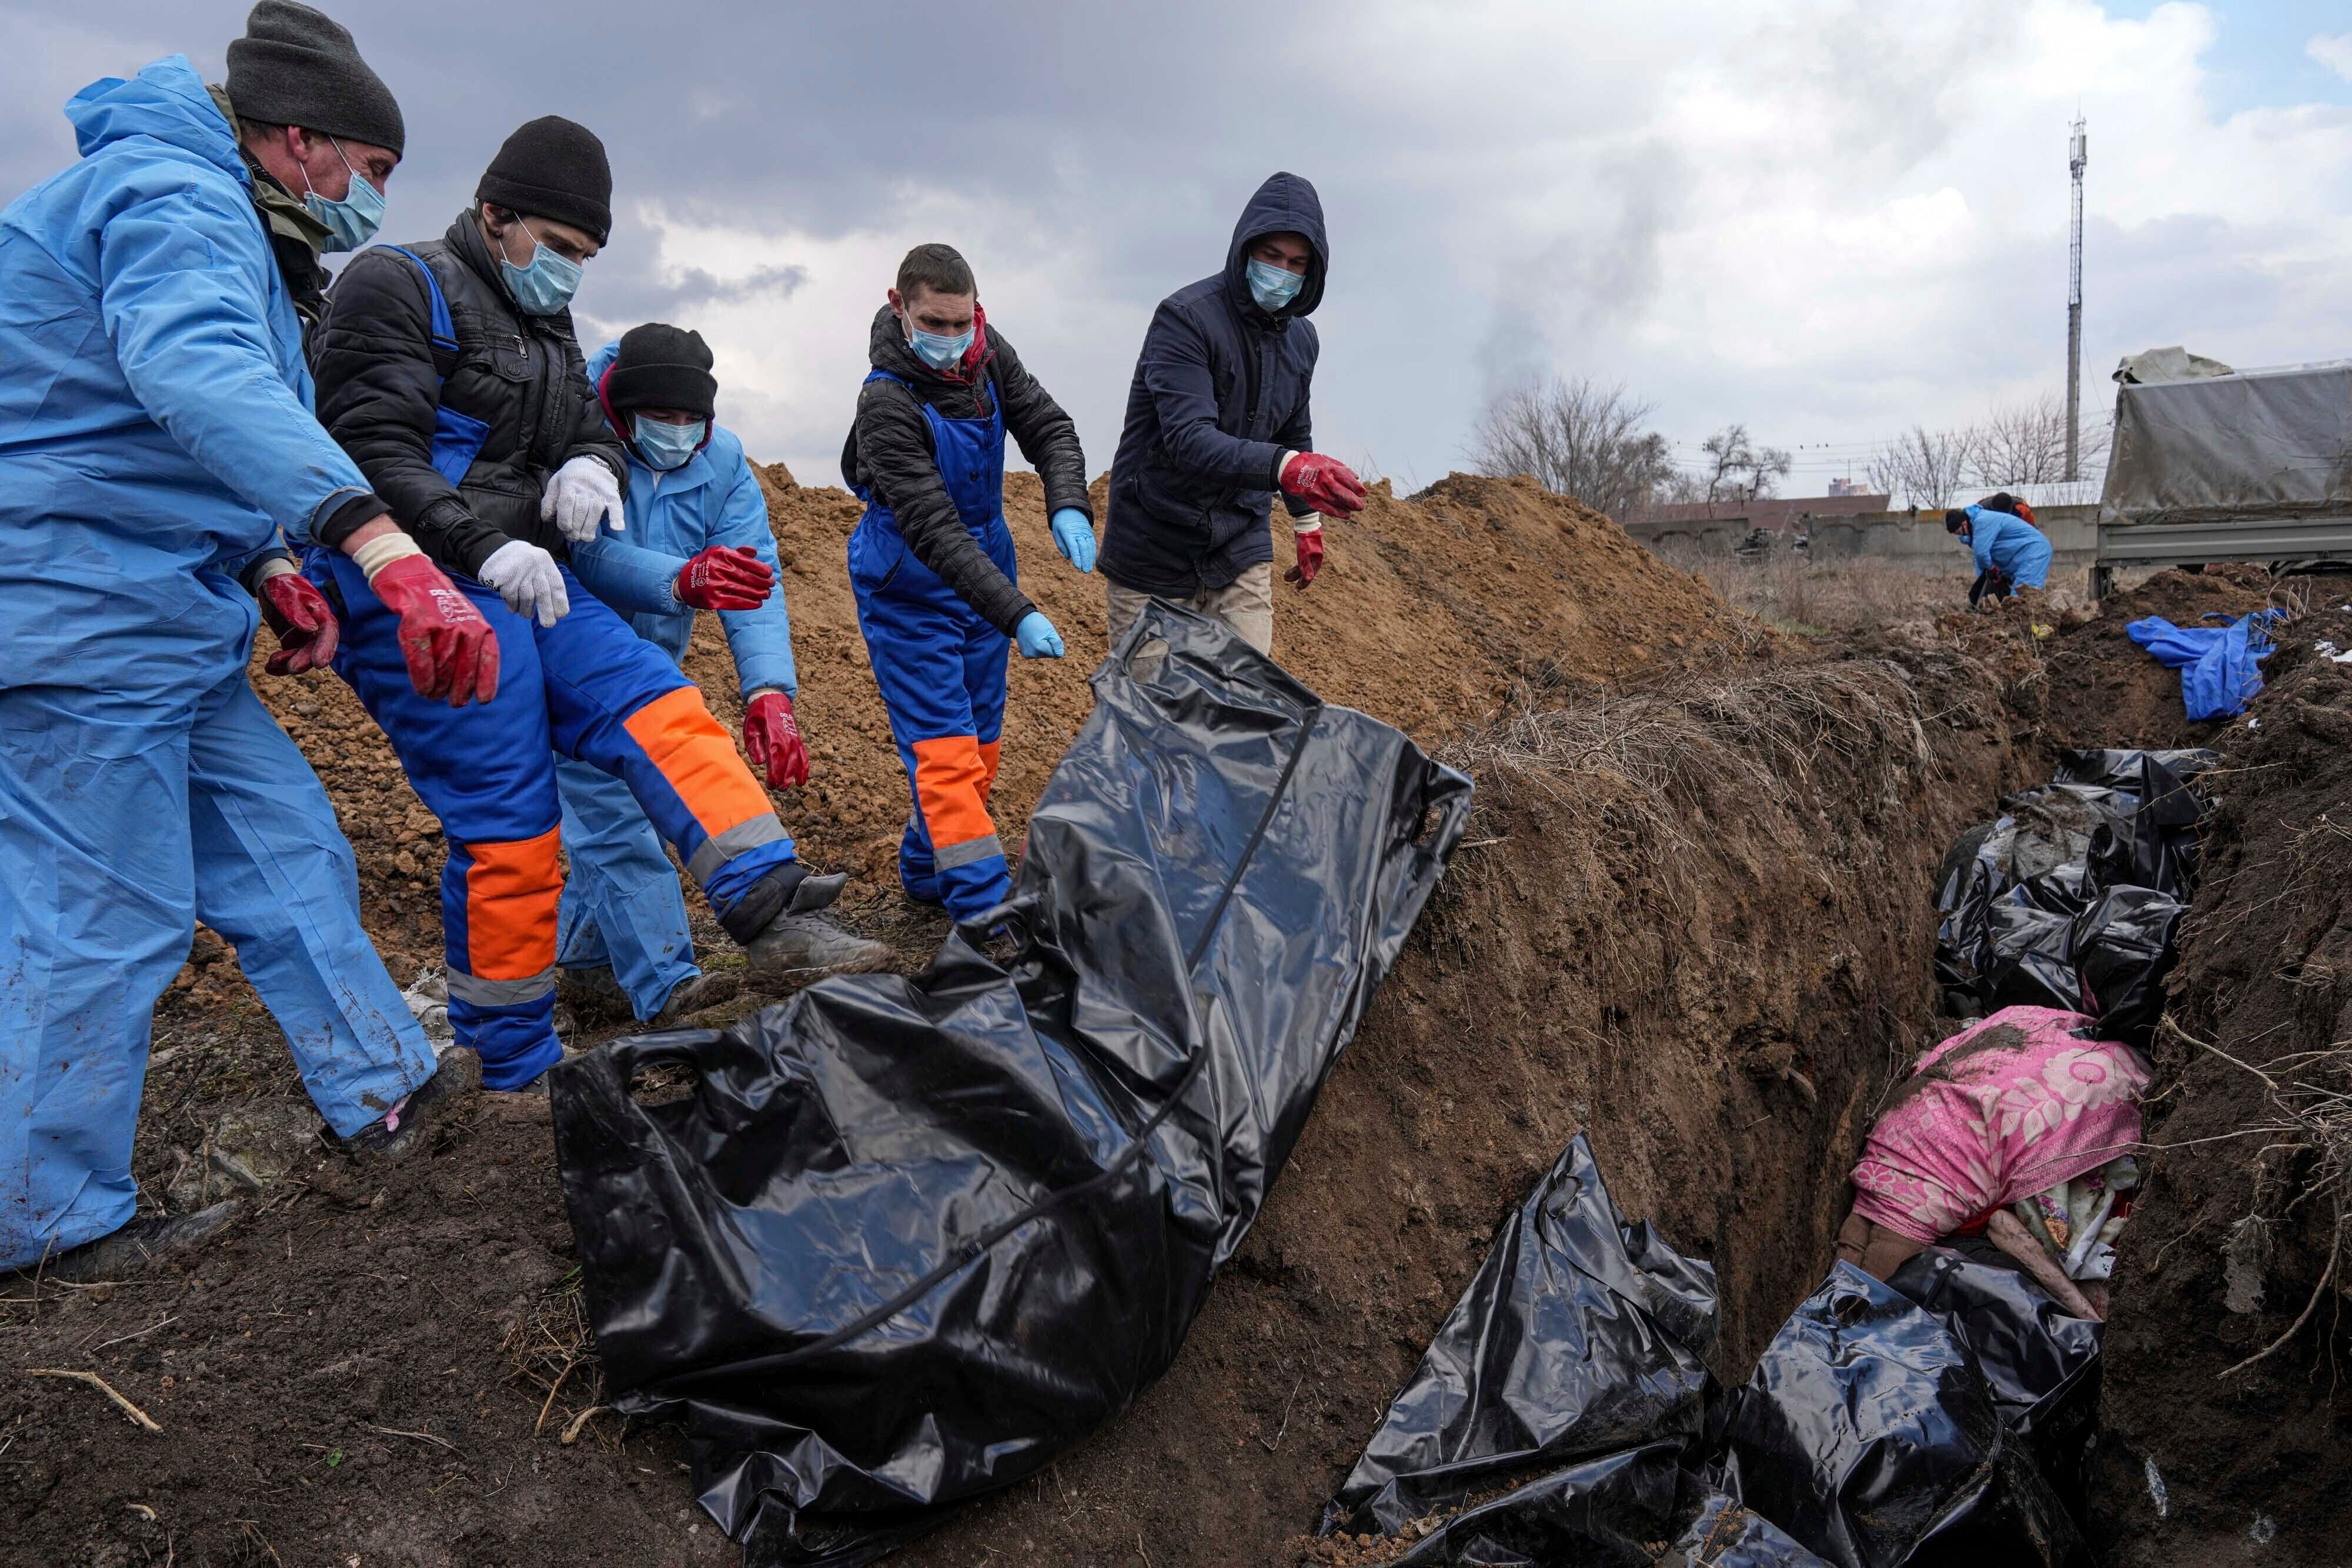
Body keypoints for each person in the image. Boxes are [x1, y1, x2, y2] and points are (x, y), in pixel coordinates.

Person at [0, 4, 493, 1275]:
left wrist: (271, 561)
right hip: (66, 606)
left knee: (287, 847)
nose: (372, 199)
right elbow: (194, 375)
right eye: (371, 172)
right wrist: (375, 543)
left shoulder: (233, 225)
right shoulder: (175, 195)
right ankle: (47, 1224)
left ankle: (387, 1093)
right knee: (98, 911)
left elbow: (151, 434)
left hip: (161, 609)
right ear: (300, 140)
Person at [309, 118, 886, 1094]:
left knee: (660, 703)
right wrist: (481, 545)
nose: (572, 272)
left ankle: (772, 909)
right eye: (564, 248)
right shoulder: (395, 284)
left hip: (528, 574)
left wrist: (588, 459)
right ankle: (515, 1067)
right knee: (513, 825)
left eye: (587, 257)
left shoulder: (544, 323)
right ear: (495, 217)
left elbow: (587, 421)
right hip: (416, 581)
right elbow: (370, 449)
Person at [551, 324, 812, 1025]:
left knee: (618, 810)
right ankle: (669, 987)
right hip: (569, 660)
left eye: (691, 420)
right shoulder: (579, 444)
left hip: (650, 667)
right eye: (659, 418)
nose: (676, 432)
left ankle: (582, 964)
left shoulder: (721, 461)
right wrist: (681, 579)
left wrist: (768, 690)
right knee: (612, 821)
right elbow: (584, 555)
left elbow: (756, 577)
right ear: (622, 408)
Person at [842, 243, 1093, 925]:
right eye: (934, 323)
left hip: (986, 564)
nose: (951, 340)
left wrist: (1066, 497)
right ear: (900, 309)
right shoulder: (885, 402)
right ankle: (985, 916)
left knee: (980, 745)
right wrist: (1017, 614)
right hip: (910, 584)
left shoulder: (988, 354)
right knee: (945, 756)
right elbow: (931, 526)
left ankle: (926, 869)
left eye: (962, 323)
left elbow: (1048, 426)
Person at [1100, 172, 1368, 654]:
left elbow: (1293, 429)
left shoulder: (1302, 340)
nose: (1282, 271)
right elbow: (1188, 439)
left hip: (1239, 541)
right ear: (1245, 249)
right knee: (1152, 719)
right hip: (1155, 542)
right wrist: (1288, 468)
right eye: (1271, 256)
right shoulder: (1185, 320)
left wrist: (1306, 522)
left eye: (1297, 263)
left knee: (1246, 712)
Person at [1947, 500, 2053, 606]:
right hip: (2020, 555)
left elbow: (1981, 553)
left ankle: (2029, 621)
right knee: (2015, 597)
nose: (1961, 536)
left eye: (1960, 532)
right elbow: (1981, 561)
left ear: (1964, 523)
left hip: (2034, 551)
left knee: (2023, 597)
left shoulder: (1982, 522)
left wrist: (1992, 569)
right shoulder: (1977, 528)